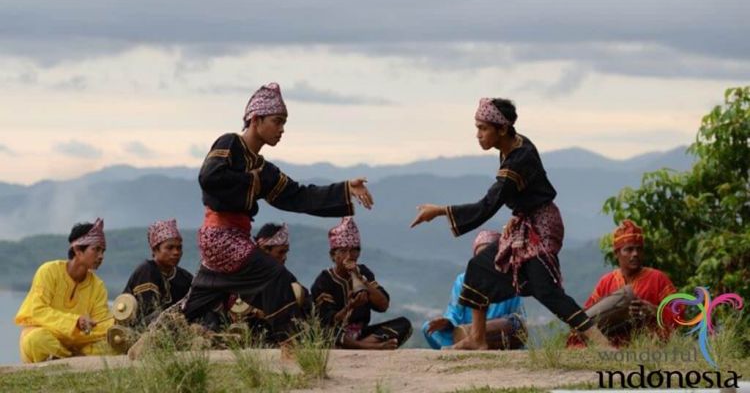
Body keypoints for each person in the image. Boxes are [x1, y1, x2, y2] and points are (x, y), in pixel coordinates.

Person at [411, 97, 611, 349]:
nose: (478, 135)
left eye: (483, 128)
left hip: (541, 228)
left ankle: (601, 342)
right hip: (525, 224)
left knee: (546, 291)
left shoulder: (519, 159)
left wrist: (440, 211)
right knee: (478, 267)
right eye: (477, 128)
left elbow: (487, 206)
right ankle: (478, 339)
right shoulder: (511, 145)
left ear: (502, 129)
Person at [182, 82, 374, 344]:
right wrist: (252, 181)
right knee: (276, 278)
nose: (282, 129)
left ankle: (153, 339)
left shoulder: (266, 170)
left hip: (231, 239)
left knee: (193, 308)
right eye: (277, 121)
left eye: (284, 123)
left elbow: (299, 196)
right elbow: (209, 177)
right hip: (221, 238)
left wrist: (344, 189)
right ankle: (291, 347)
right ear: (256, 119)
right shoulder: (230, 143)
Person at [568, 220, 680, 347]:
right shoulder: (606, 281)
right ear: (617, 253)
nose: (635, 254)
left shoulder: (658, 279)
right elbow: (587, 319)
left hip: (651, 349)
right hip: (612, 352)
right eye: (629, 249)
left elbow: (679, 314)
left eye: (639, 249)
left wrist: (654, 311)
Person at [15, 219, 113, 363]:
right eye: (96, 249)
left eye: (103, 251)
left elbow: (102, 324)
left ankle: (68, 360)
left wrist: (114, 324)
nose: (101, 256)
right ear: (77, 250)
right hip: (48, 337)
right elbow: (37, 310)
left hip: (80, 344)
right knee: (37, 340)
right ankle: (74, 360)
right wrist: (75, 322)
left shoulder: (98, 286)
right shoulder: (49, 271)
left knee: (115, 344)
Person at [311, 217, 412, 349]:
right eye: (343, 251)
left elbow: (383, 306)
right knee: (326, 332)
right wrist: (350, 307)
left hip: (360, 333)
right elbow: (328, 321)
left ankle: (363, 345)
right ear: (333, 256)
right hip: (336, 335)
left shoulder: (363, 272)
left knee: (404, 324)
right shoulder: (324, 281)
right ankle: (372, 347)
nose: (349, 256)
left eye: (354, 250)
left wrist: (362, 279)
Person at [423, 230, 526, 350]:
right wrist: (447, 322)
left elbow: (517, 318)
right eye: (480, 257)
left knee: (516, 325)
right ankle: (466, 341)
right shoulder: (462, 280)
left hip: (496, 333)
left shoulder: (509, 279)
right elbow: (454, 312)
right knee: (428, 328)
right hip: (464, 330)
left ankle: (475, 341)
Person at [123, 219, 193, 326]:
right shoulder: (146, 271)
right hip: (140, 331)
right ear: (155, 250)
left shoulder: (185, 277)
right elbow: (148, 313)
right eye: (170, 248)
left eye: (179, 248)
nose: (176, 252)